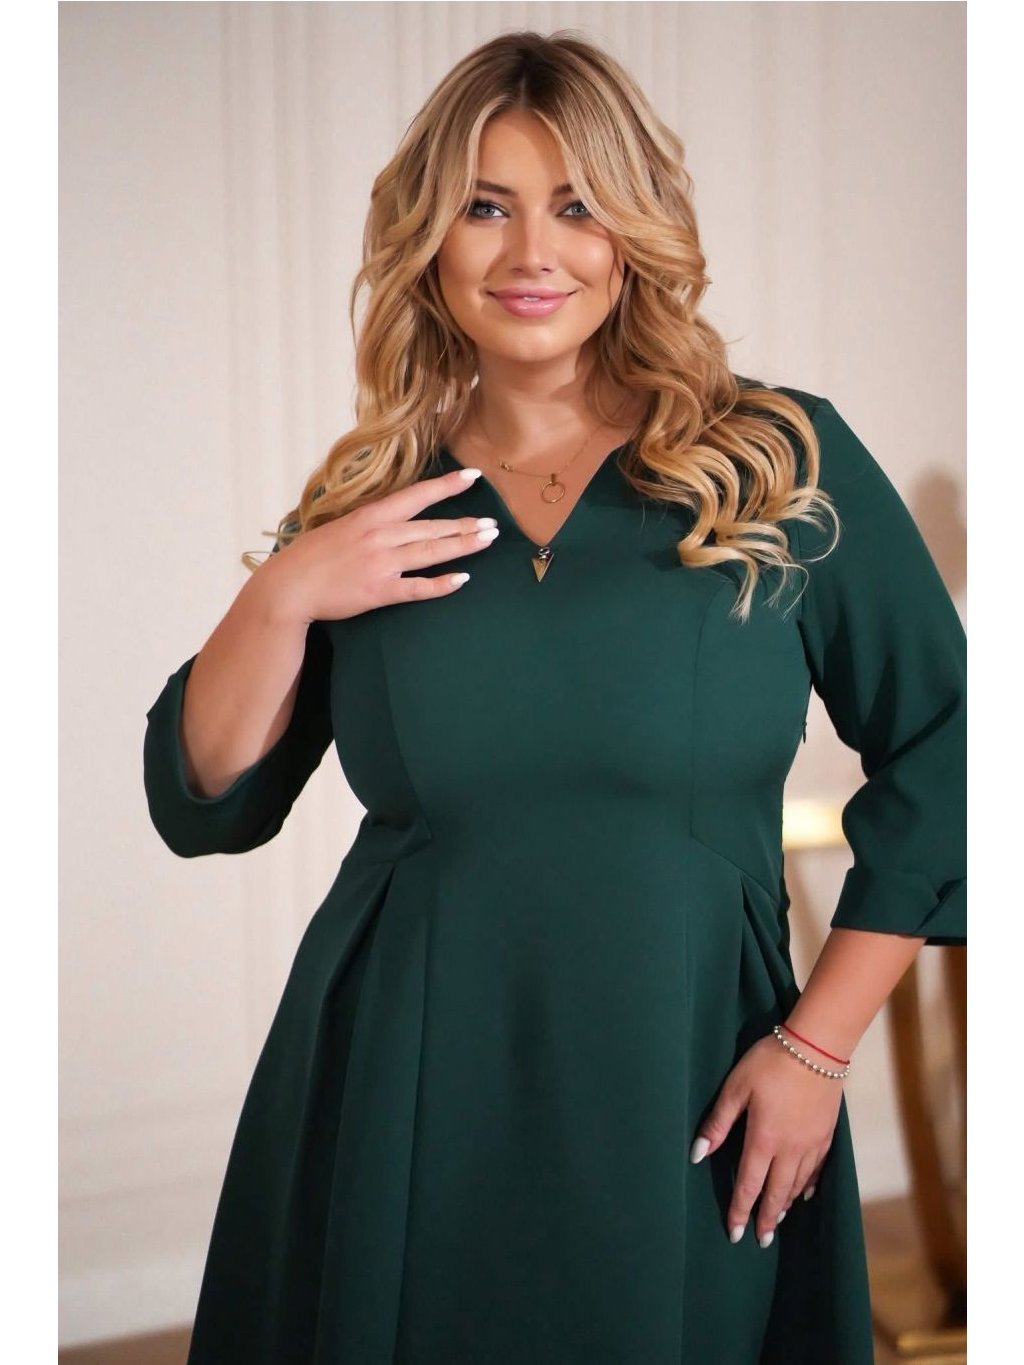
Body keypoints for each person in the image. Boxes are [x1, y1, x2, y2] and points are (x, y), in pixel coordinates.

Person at [142, 29, 966, 1365]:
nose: (534, 252)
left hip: (693, 1079)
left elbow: (954, 750)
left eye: (578, 205)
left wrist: (819, 1046)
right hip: (401, 1089)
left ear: (634, 231)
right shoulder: (375, 504)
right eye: (486, 207)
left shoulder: (776, 462)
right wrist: (283, 592)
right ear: (429, 237)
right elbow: (210, 796)